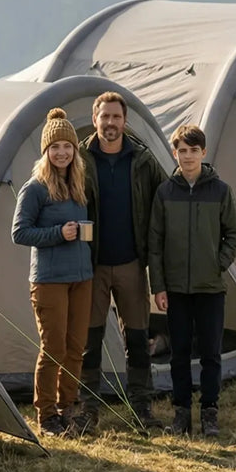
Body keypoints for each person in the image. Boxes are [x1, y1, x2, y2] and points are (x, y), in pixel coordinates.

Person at [75, 91, 168, 432]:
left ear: (124, 121)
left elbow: (166, 198)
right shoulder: (80, 160)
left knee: (138, 338)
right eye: (105, 117)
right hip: (93, 265)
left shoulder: (142, 160)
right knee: (90, 339)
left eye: (116, 117)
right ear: (95, 118)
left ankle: (141, 407)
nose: (111, 123)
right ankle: (87, 410)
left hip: (131, 263)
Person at [148, 124, 236, 437]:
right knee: (178, 353)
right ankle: (181, 413)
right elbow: (155, 243)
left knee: (210, 353)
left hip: (210, 288)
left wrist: (217, 264)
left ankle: (210, 411)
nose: (188, 156)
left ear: (203, 152)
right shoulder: (165, 193)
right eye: (182, 151)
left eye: (193, 150)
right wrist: (158, 287)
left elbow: (235, 234)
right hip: (176, 290)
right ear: (174, 154)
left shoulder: (221, 191)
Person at [11, 109, 93, 437]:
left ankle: (67, 407)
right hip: (49, 281)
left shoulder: (77, 186)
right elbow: (19, 233)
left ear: (75, 151)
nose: (62, 152)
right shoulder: (35, 189)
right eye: (55, 146)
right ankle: (45, 414)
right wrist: (60, 233)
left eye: (67, 146)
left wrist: (82, 236)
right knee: (53, 348)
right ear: (46, 152)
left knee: (76, 348)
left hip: (81, 278)